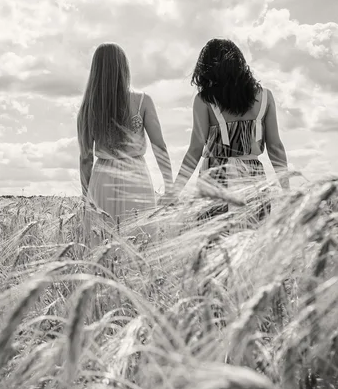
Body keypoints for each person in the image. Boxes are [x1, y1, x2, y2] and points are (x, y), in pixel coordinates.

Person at [171, 38, 289, 220]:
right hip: (253, 178)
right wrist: (287, 191)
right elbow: (275, 147)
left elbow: (195, 149)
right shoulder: (265, 97)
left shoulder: (204, 100)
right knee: (253, 240)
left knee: (213, 243)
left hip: (215, 179)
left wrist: (174, 191)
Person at [77, 43, 173, 245]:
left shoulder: (87, 108)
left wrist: (87, 197)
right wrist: (169, 185)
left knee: (102, 244)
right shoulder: (142, 101)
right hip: (136, 176)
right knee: (140, 242)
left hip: (102, 178)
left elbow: (86, 158)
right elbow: (159, 147)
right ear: (124, 68)